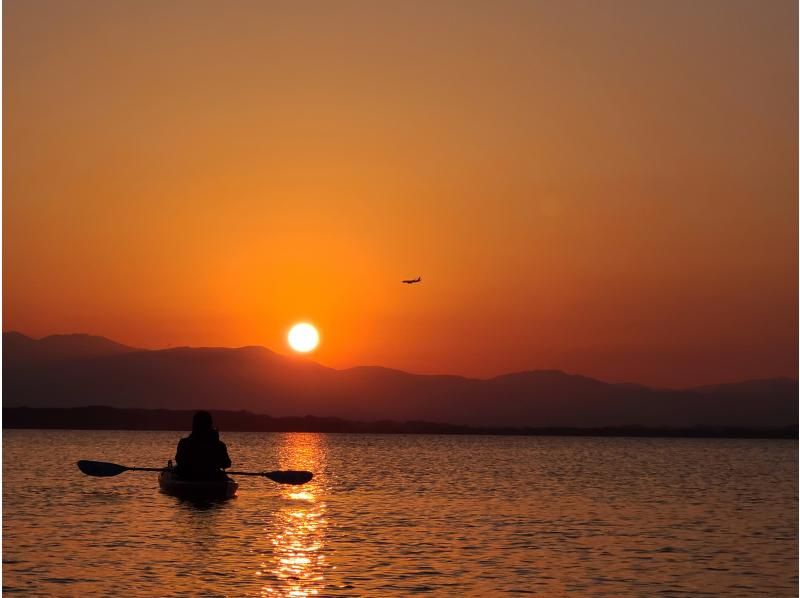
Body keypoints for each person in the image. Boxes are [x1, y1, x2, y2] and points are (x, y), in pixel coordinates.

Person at [175, 411, 232, 479]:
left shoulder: (184, 443)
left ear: (194, 425)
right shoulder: (219, 445)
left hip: (189, 477)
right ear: (210, 424)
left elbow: (179, 460)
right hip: (213, 478)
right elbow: (227, 464)